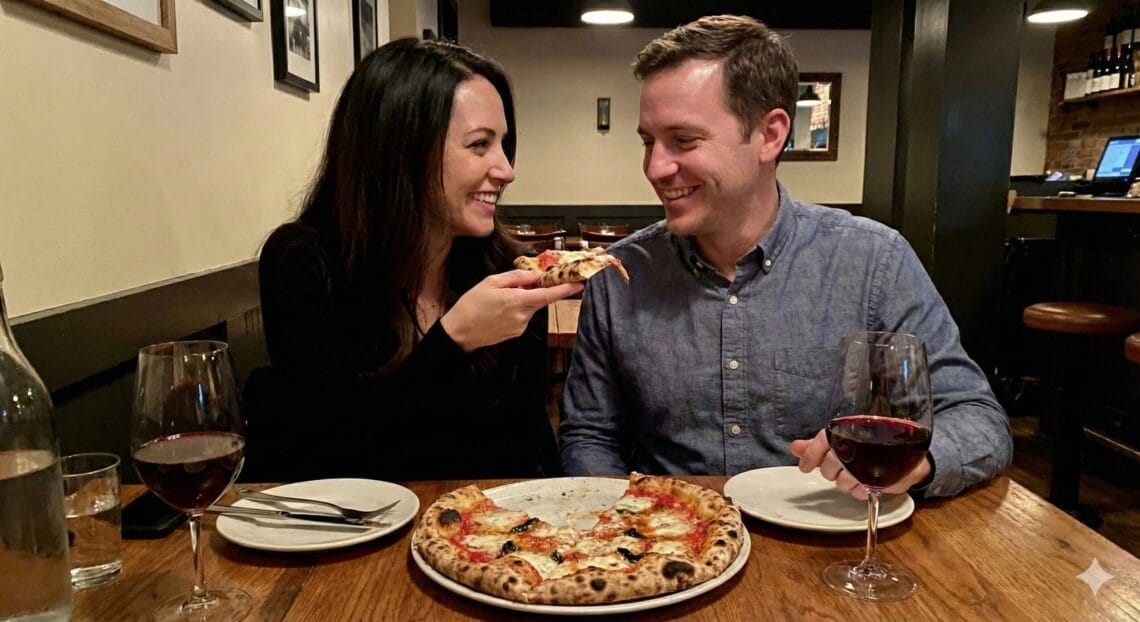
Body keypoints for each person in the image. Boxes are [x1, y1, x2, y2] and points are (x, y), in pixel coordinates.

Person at [559, 15, 1012, 499]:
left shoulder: (873, 260)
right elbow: (590, 436)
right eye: (648, 142)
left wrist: (919, 464)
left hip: (831, 539)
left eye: (684, 140)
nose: (655, 167)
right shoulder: (621, 275)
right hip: (670, 545)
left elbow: (979, 419)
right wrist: (619, 519)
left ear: (771, 135)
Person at [249, 38, 582, 482]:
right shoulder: (304, 261)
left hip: (484, 534)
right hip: (355, 542)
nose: (506, 169)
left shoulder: (504, 268)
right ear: (401, 150)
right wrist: (455, 339)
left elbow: (527, 447)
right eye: (480, 145)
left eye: (504, 144)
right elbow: (328, 457)